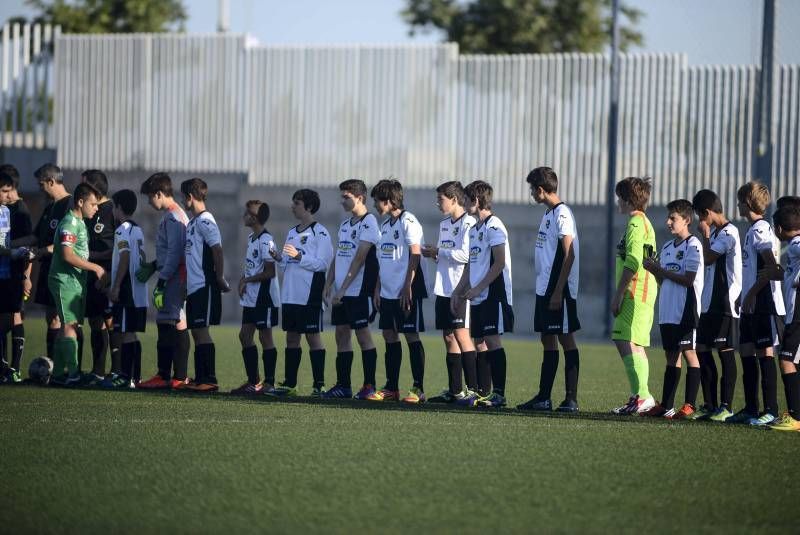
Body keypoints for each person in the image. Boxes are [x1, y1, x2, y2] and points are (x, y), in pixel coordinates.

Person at [518, 167, 581, 413]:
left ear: (541, 190)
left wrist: (558, 291)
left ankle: (571, 399)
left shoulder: (562, 214)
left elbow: (570, 254)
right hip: (544, 289)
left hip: (558, 291)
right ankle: (544, 398)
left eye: (533, 189)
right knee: (547, 338)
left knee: (566, 338)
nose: (532, 193)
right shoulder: (548, 214)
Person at [452, 180, 513, 408]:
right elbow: (471, 265)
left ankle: (499, 394)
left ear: (476, 201)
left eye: (467, 199)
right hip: (477, 296)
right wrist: (458, 291)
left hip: (493, 295)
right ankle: (483, 393)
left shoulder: (494, 225)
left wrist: (479, 288)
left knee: (492, 340)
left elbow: (499, 263)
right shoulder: (475, 229)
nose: (465, 203)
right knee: (479, 343)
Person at [266, 189, 333, 397]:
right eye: (293, 202)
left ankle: (319, 385)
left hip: (309, 295)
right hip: (290, 295)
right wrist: (279, 258)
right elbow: (287, 264)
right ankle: (290, 384)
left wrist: (299, 256)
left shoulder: (319, 232)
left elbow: (323, 264)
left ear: (309, 207)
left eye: (297, 203)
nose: (292, 207)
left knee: (313, 338)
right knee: (291, 338)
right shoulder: (292, 232)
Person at [367, 179, 428, 403]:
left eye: (377, 201)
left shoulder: (408, 221)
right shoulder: (385, 227)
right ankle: (391, 388)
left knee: (411, 335)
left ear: (390, 201)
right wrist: (377, 289)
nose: (375, 204)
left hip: (406, 290)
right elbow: (383, 261)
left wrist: (407, 286)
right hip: (387, 292)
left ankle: (418, 389)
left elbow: (415, 254)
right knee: (389, 335)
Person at [641, 200, 704, 419]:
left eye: (673, 218)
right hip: (668, 311)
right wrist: (653, 271)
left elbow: (688, 280)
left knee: (690, 354)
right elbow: (664, 281)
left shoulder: (693, 245)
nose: (668, 222)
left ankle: (689, 405)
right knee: (671, 355)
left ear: (686, 220)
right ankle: (666, 405)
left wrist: (661, 270)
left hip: (685, 311)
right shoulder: (667, 247)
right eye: (668, 217)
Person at [729, 181, 784, 426]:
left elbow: (770, 266)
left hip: (763, 302)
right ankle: (751, 408)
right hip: (752, 300)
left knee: (765, 352)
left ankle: (770, 409)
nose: (738, 204)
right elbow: (753, 268)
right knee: (747, 351)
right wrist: (743, 293)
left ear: (747, 203)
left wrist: (751, 294)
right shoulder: (752, 229)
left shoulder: (761, 229)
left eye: (740, 200)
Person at [322, 179, 379, 400]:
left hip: (358, 291)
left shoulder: (369, 223)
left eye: (346, 197)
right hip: (340, 291)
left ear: (360, 198)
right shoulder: (346, 225)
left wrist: (343, 289)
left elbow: (359, 259)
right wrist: (329, 283)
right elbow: (340, 255)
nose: (342, 200)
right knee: (341, 334)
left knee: (363, 335)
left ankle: (369, 386)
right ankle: (343, 386)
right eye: (342, 196)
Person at [421, 181, 477, 404]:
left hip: (460, 289)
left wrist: (440, 251)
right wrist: (434, 254)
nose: (437, 203)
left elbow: (466, 255)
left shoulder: (469, 223)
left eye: (440, 199)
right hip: (443, 287)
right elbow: (447, 255)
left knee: (463, 336)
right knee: (448, 336)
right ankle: (455, 392)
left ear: (454, 199)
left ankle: (474, 392)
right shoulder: (445, 224)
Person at [136, 173, 191, 389]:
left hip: (175, 278)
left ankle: (165, 375)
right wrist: (154, 265)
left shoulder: (173, 217)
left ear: (159, 194)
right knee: (178, 322)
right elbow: (172, 252)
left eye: (150, 197)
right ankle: (178, 376)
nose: (149, 201)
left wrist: (162, 280)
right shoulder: (176, 215)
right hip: (177, 276)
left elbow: (176, 254)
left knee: (166, 322)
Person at [691, 189, 742, 422]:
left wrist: (705, 234)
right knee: (701, 349)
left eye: (701, 217)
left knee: (725, 352)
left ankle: (726, 406)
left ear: (707, 213)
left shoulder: (729, 233)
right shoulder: (719, 232)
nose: (700, 222)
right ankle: (710, 404)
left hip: (725, 303)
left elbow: (709, 257)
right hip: (709, 303)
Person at [48, 183, 105, 385]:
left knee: (71, 325)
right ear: (80, 202)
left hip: (75, 282)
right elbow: (67, 255)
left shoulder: (80, 223)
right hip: (65, 281)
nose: (96, 208)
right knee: (70, 325)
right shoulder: (69, 224)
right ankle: (72, 374)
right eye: (93, 204)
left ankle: (56, 376)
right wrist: (95, 268)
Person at [610, 177, 658, 415]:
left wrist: (618, 294)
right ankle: (641, 396)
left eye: (620, 196)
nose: (617, 201)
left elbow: (633, 260)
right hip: (641, 290)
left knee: (624, 339)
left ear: (628, 200)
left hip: (636, 290)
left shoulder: (636, 223)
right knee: (633, 343)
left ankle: (643, 395)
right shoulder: (640, 222)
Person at [180, 178, 230, 392]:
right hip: (193, 287)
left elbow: (217, 249)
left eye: (184, 197)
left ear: (190, 197)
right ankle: (201, 378)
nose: (183, 201)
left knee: (202, 331)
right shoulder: (192, 223)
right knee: (196, 331)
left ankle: (209, 379)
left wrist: (219, 277)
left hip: (205, 285)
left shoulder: (205, 220)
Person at [232, 200, 280, 395]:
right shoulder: (253, 238)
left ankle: (269, 383)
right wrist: (243, 279)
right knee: (244, 335)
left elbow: (270, 272)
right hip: (251, 297)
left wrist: (247, 280)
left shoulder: (266, 240)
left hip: (264, 297)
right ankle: (253, 381)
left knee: (265, 336)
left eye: (247, 213)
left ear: (254, 218)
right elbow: (254, 266)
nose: (244, 215)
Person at [101, 189, 147, 389]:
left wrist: (116, 286)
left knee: (126, 333)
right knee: (132, 334)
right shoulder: (137, 229)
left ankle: (126, 377)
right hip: (139, 291)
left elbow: (125, 258)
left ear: (118, 208)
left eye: (113, 207)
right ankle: (134, 378)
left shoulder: (121, 230)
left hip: (127, 291)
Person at [32, 164, 72, 363]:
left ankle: (64, 368)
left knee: (63, 319)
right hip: (48, 269)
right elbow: (35, 236)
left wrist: (43, 250)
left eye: (41, 184)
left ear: (51, 182)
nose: (40, 189)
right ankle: (51, 364)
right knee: (51, 317)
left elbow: (69, 242)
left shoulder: (71, 205)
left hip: (63, 271)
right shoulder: (50, 207)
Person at [80, 170, 116, 386]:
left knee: (111, 323)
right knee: (95, 322)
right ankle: (98, 371)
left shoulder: (112, 210)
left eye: (85, 185)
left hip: (107, 277)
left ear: (95, 188)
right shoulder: (88, 210)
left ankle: (119, 371)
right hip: (90, 276)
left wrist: (93, 258)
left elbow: (118, 248)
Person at [0, 164, 33, 383]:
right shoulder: (5, 210)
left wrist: (26, 276)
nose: (9, 195)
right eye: (4, 191)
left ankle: (12, 368)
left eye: (10, 189)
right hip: (5, 273)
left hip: (9, 275)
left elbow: (28, 244)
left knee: (11, 317)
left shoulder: (17, 211)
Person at [770, 204, 800, 431]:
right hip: (793, 314)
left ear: (780, 229)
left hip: (798, 315)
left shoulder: (796, 245)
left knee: (786, 359)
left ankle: (795, 416)